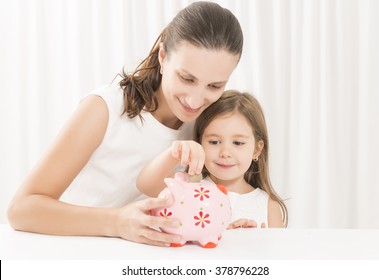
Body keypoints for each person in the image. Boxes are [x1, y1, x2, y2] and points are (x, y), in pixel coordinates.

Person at [7, 1, 243, 247]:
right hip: (73, 253)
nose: (195, 100)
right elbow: (22, 209)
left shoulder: (210, 125)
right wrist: (117, 222)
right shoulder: (104, 109)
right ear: (163, 57)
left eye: (215, 86)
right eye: (186, 78)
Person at [137, 90, 288, 228]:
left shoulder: (268, 205)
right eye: (214, 142)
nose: (225, 153)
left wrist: (260, 244)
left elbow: (277, 255)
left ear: (257, 149)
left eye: (238, 143)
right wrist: (174, 153)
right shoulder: (191, 186)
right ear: (200, 142)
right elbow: (145, 184)